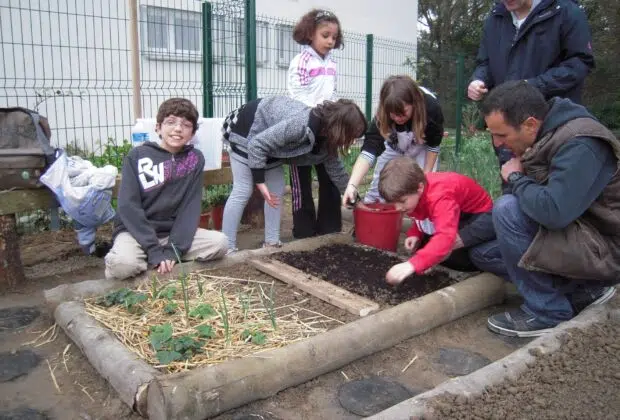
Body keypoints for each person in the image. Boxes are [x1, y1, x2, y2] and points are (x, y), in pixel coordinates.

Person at [470, 80, 618, 337]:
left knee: (507, 209)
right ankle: (583, 291)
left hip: (604, 248)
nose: (496, 143)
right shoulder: (538, 140)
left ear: (530, 124)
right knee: (484, 254)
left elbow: (554, 212)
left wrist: (516, 179)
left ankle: (547, 312)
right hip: (577, 237)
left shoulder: (581, 144)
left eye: (501, 135)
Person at [467, 0, 595, 193]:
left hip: (552, 128)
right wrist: (478, 79)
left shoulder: (566, 12)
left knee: (552, 196)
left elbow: (580, 63)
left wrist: (534, 86)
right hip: (508, 128)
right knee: (511, 196)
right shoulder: (495, 18)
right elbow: (484, 61)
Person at [221, 97, 367, 252]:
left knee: (275, 190)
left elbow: (336, 170)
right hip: (247, 131)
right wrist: (259, 181)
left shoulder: (326, 136)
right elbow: (256, 145)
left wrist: (356, 202)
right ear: (340, 128)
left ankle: (271, 243)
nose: (351, 142)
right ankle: (226, 247)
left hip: (269, 142)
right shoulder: (300, 126)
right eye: (351, 136)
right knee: (243, 189)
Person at [104, 98, 228, 280]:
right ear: (158, 128)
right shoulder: (137, 156)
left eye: (186, 125)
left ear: (192, 132)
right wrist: (153, 249)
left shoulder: (194, 159)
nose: (178, 129)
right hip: (135, 232)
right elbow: (128, 206)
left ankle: (162, 260)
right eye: (170, 122)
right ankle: (145, 257)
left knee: (220, 243)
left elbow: (190, 207)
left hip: (171, 234)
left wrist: (173, 250)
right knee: (123, 265)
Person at [378, 156, 495, 285]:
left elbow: (445, 236)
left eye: (402, 201)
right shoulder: (417, 193)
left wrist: (411, 265)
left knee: (456, 256)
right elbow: (424, 214)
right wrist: (415, 233)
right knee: (427, 248)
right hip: (456, 216)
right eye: (393, 203)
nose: (398, 208)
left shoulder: (440, 197)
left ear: (419, 188)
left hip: (480, 218)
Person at [342, 75, 445, 210]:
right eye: (393, 114)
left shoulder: (430, 108)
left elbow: (433, 145)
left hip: (422, 145)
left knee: (423, 187)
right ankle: (372, 219)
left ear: (414, 103)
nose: (397, 118)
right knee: (381, 182)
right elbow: (369, 151)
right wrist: (352, 186)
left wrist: (426, 175)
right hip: (395, 144)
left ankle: (423, 226)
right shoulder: (382, 114)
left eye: (402, 113)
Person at [287, 9, 344, 239]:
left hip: (326, 129)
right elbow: (296, 95)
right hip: (303, 128)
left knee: (329, 176)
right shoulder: (301, 61)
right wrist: (316, 116)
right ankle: (304, 231)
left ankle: (329, 228)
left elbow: (332, 94)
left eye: (334, 37)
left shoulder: (332, 64)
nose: (330, 41)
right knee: (301, 182)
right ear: (310, 33)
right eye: (325, 35)